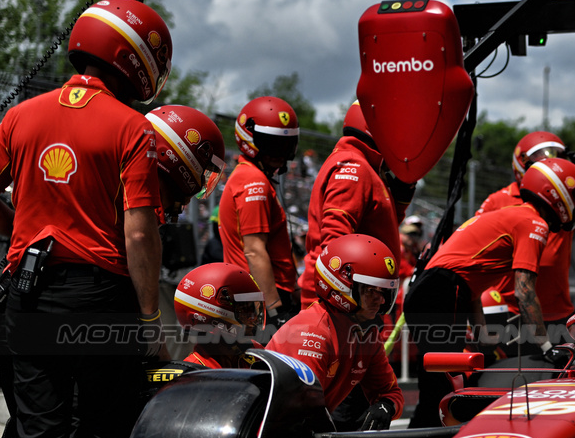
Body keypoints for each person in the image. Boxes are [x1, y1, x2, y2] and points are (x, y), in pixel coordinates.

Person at [0, 0, 174, 438]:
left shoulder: (22, 116)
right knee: (106, 431)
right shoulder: (130, 127)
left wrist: (18, 230)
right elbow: (139, 234)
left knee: (40, 433)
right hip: (98, 296)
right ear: (132, 57)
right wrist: (148, 320)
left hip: (28, 293)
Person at [403, 157, 575, 427]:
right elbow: (525, 291)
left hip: (430, 291)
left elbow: (468, 282)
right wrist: (547, 346)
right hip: (442, 292)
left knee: (436, 389)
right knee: (443, 391)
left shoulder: (507, 216)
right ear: (558, 195)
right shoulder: (533, 223)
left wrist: (482, 333)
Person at [471, 130, 575, 344]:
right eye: (540, 158)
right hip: (512, 312)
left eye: (554, 157)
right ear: (522, 162)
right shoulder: (499, 200)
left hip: (559, 313)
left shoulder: (563, 198)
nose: (548, 162)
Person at [270, 233, 404, 425]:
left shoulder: (367, 334)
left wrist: (386, 406)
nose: (381, 300)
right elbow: (301, 413)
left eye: (384, 291)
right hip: (274, 437)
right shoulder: (312, 332)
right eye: (370, 291)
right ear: (341, 285)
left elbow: (390, 392)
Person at [298, 100, 415, 307]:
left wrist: (400, 202)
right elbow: (336, 241)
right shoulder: (355, 166)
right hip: (341, 301)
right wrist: (349, 305)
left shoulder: (366, 168)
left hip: (355, 297)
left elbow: (375, 233)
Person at [219, 95, 301, 329]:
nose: (280, 152)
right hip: (262, 300)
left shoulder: (249, 176)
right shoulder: (253, 180)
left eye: (286, 144)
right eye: (272, 143)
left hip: (259, 296)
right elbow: (254, 250)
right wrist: (274, 309)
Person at [175, 262, 264, 369]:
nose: (254, 319)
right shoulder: (193, 374)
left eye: (254, 310)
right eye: (244, 311)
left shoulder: (256, 353)